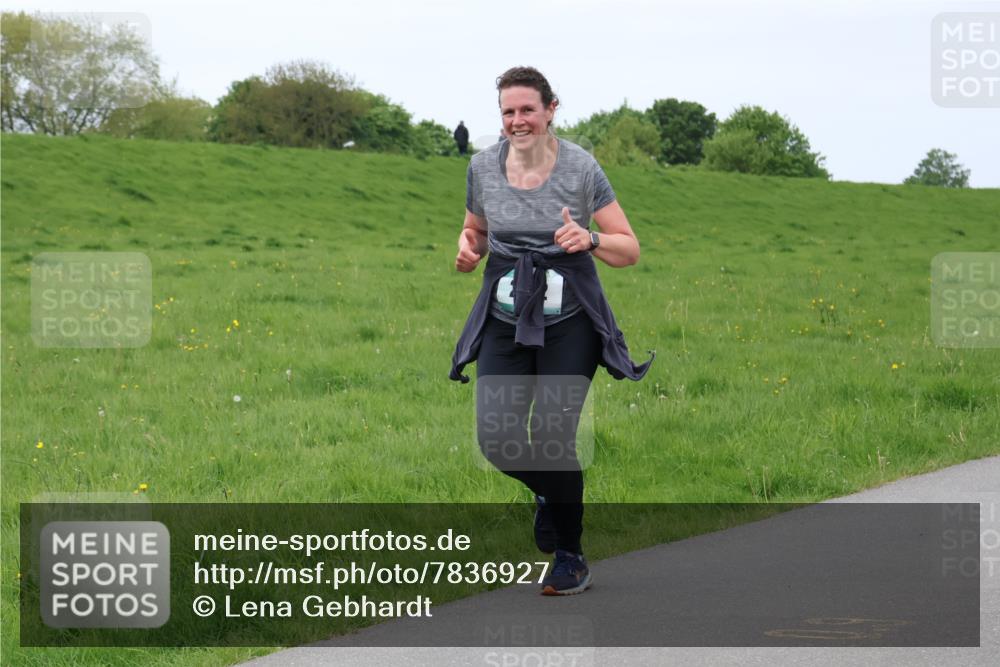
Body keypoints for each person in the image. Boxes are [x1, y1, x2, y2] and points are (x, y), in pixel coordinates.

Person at [450, 66, 653, 596]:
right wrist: (468, 249)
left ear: (550, 109)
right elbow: (475, 229)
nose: (518, 121)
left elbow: (628, 248)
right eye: (508, 111)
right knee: (498, 440)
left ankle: (570, 556)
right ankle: (551, 495)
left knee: (554, 439)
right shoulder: (481, 168)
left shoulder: (581, 169)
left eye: (527, 110)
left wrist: (589, 238)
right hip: (504, 320)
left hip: (570, 323)